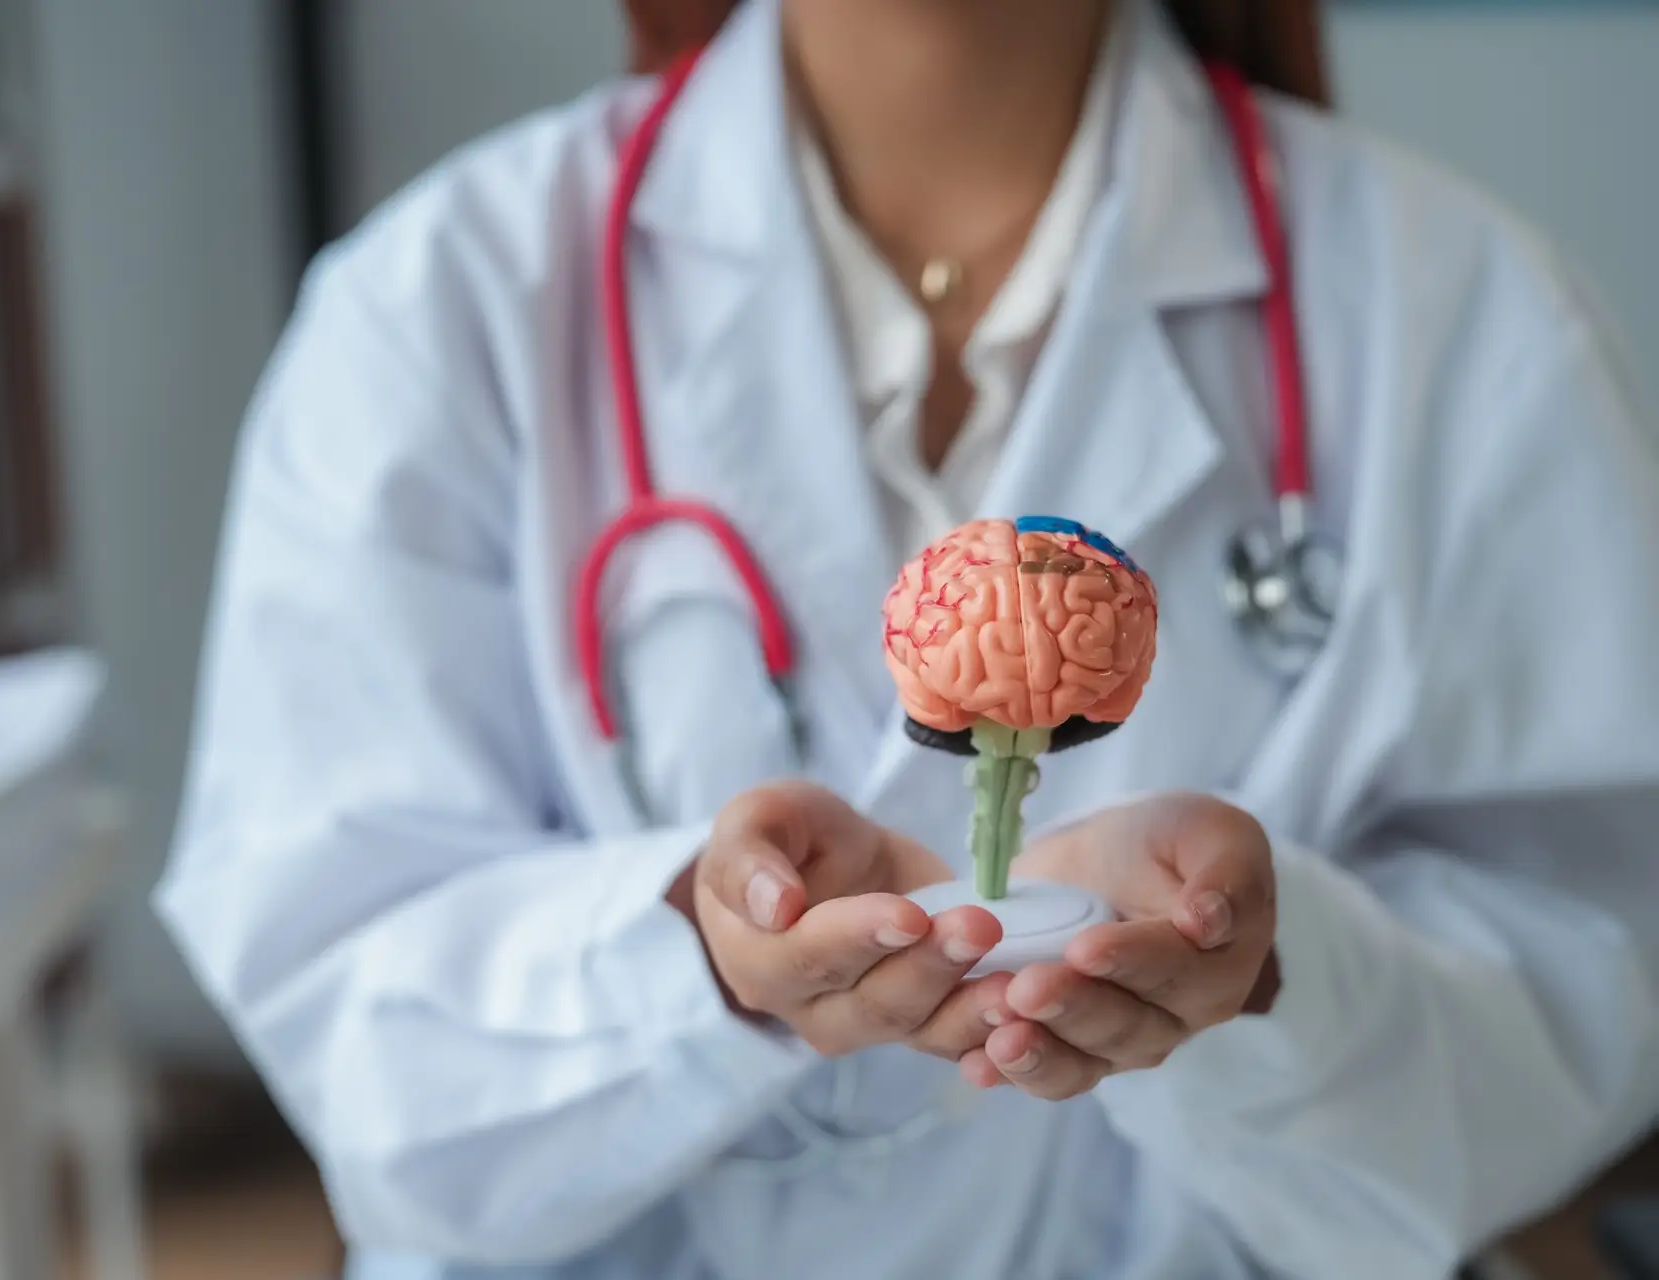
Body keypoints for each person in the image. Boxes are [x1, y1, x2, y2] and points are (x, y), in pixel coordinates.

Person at [155, 0, 1659, 1276]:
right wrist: (692, 951)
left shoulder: (1466, 315)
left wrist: (1270, 983)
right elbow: (348, 1009)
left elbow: (1589, 994)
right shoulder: (438, 307)